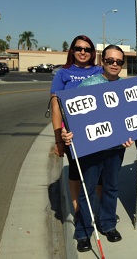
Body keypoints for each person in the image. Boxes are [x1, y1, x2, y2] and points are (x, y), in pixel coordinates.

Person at [61, 45, 134, 252]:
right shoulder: (89, 84)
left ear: (122, 64)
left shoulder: (126, 88)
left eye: (118, 62)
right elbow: (71, 112)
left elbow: (130, 118)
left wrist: (131, 136)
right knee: (88, 189)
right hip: (92, 148)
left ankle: (108, 224)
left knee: (111, 187)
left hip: (116, 148)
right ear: (103, 61)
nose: (114, 64)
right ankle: (84, 231)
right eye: (110, 60)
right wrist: (67, 132)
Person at [50, 35, 103, 215]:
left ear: (92, 52)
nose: (83, 52)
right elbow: (55, 107)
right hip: (72, 133)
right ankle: (78, 210)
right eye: (79, 48)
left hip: (99, 131)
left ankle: (98, 211)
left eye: (87, 49)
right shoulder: (63, 73)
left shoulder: (99, 71)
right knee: (76, 173)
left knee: (99, 175)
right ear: (72, 51)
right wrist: (59, 140)